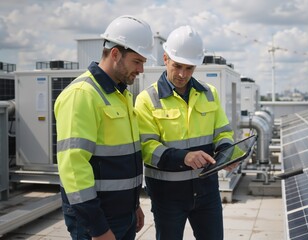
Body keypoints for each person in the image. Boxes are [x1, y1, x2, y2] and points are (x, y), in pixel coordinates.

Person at [54, 15, 154, 240]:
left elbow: (124, 157)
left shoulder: (121, 95)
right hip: (98, 220)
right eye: (137, 61)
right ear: (116, 54)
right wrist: (98, 229)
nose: (141, 69)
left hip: (122, 214)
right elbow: (73, 169)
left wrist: (134, 205)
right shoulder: (82, 95)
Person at [134, 25, 238, 240]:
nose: (182, 74)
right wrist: (184, 157)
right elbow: (147, 147)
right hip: (167, 195)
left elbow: (223, 133)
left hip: (206, 191)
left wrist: (227, 151)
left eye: (189, 68)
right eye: (177, 66)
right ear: (165, 58)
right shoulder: (147, 99)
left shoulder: (210, 94)